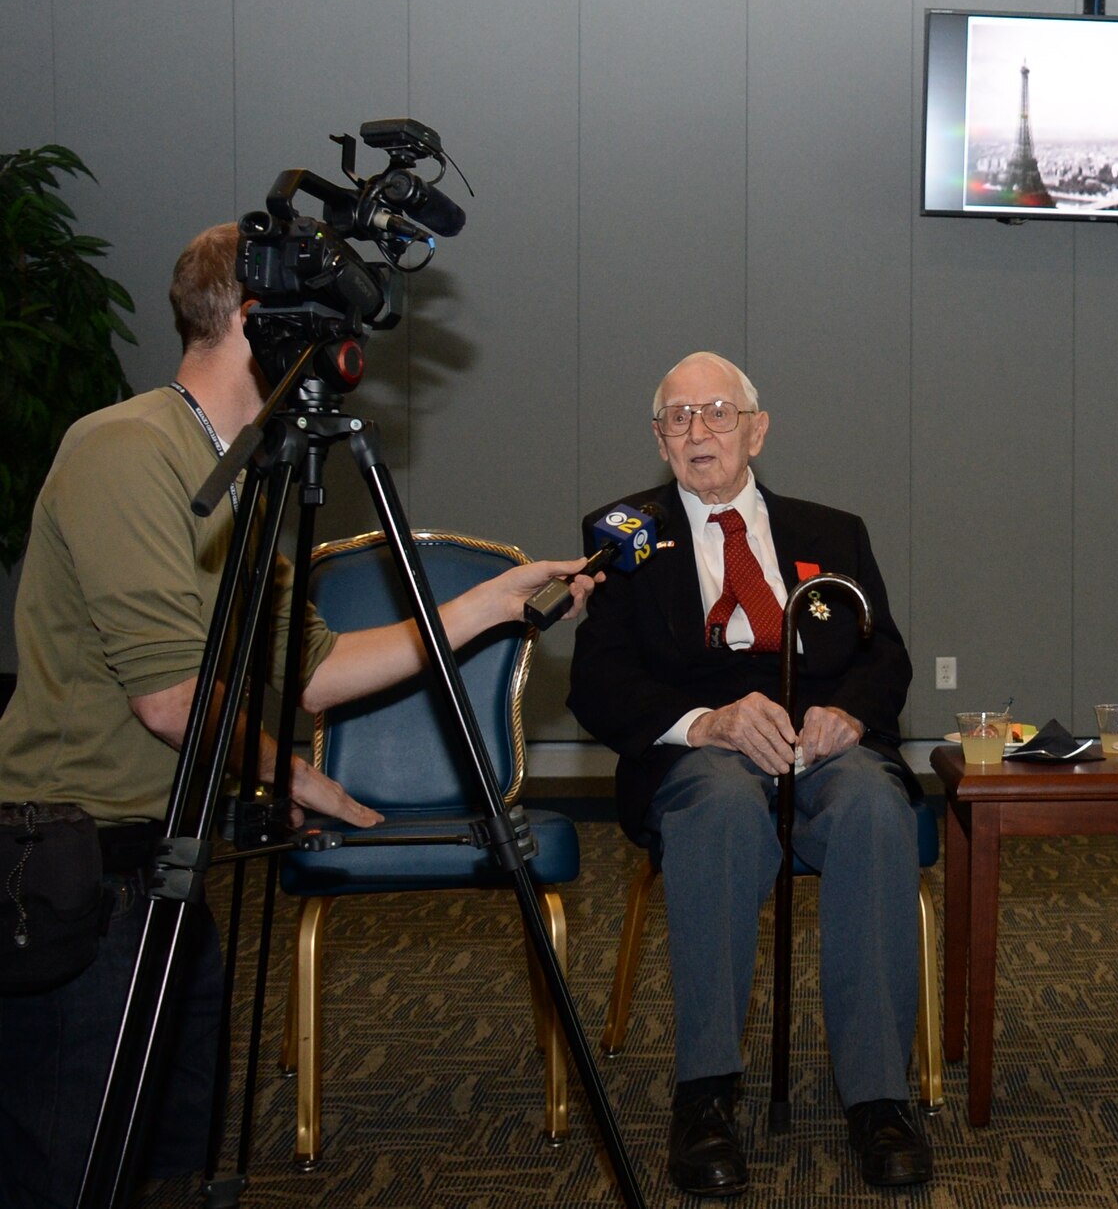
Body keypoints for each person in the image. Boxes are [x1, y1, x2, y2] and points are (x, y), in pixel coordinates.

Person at [0, 223, 600, 1209]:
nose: (339, 352)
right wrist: (295, 775)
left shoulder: (237, 481)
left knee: (167, 1158)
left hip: (165, 866)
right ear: (255, 321)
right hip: (77, 877)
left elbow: (314, 671)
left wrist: (492, 603)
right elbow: (171, 702)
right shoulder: (126, 451)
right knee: (72, 1165)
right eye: (322, 325)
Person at [567, 351, 929, 1196]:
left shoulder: (834, 532)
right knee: (724, 809)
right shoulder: (622, 535)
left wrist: (850, 717)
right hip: (701, 758)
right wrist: (708, 723)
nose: (700, 431)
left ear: (756, 430)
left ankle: (879, 1099)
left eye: (719, 413)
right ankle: (705, 1096)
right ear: (659, 438)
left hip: (822, 751)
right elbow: (597, 685)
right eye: (680, 417)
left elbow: (887, 659)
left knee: (876, 810)